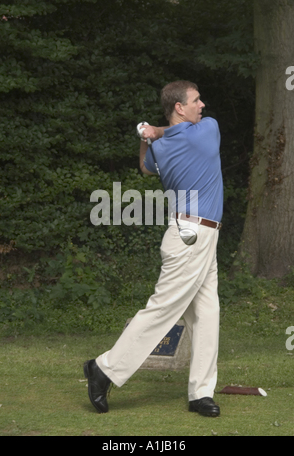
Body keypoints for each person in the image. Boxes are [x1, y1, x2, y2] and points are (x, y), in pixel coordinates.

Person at [84, 80, 223, 418]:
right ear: (180, 107)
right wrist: (155, 132)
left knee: (207, 315)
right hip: (192, 235)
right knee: (163, 309)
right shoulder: (205, 131)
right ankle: (104, 369)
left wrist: (147, 137)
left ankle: (200, 393)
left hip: (198, 233)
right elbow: (169, 136)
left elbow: (145, 168)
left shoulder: (162, 146)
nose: (202, 105)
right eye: (196, 100)